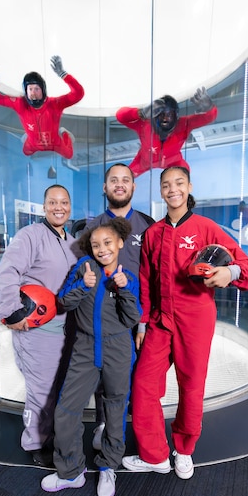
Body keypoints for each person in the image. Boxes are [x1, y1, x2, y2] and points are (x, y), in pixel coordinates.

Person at [122, 166, 248, 479]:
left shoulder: (206, 227)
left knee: (191, 387)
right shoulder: (153, 234)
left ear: (189, 187)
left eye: (179, 183)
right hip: (159, 322)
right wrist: (142, 324)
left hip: (195, 321)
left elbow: (245, 268)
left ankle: (183, 451)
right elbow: (145, 281)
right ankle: (155, 455)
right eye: (166, 185)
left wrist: (229, 273)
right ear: (161, 191)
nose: (172, 190)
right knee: (143, 384)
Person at [41, 217, 141, 496]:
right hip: (84, 348)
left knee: (115, 410)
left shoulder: (128, 276)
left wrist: (123, 290)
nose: (102, 249)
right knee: (67, 409)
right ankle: (71, 471)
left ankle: (108, 466)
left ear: (120, 243)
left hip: (118, 349)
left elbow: (133, 318)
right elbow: (63, 301)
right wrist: (84, 285)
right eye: (95, 245)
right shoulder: (83, 268)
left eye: (107, 243)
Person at [0, 185, 82, 467]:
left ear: (69, 206)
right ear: (44, 207)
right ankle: (36, 442)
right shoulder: (30, 236)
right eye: (52, 202)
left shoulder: (72, 241)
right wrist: (11, 312)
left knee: (59, 389)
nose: (59, 207)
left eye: (64, 202)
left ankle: (56, 437)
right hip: (38, 331)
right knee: (41, 390)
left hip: (66, 330)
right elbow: (7, 273)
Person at [85, 163, 154, 449]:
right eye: (113, 180)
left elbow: (153, 277)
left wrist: (144, 321)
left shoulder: (148, 225)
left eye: (125, 180)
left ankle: (135, 430)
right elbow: (83, 273)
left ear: (133, 187)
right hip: (103, 318)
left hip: (136, 318)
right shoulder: (91, 227)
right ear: (105, 187)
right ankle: (104, 426)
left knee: (138, 377)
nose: (120, 184)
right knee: (106, 377)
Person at [0, 56, 84, 159]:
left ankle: (64, 133)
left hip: (55, 143)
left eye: (37, 89)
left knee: (69, 154)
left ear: (43, 90)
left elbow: (78, 93)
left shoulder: (55, 104)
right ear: (26, 91)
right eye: (30, 89)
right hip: (33, 143)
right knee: (26, 152)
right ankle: (28, 136)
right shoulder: (20, 104)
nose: (33, 93)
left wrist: (63, 74)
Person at [116, 87, 217, 177]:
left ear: (176, 116)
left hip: (173, 162)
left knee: (183, 176)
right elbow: (120, 116)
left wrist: (208, 107)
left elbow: (208, 118)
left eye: (169, 114)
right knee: (125, 176)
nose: (165, 118)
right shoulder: (145, 124)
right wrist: (141, 113)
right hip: (144, 162)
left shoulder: (183, 124)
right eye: (161, 113)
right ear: (154, 115)